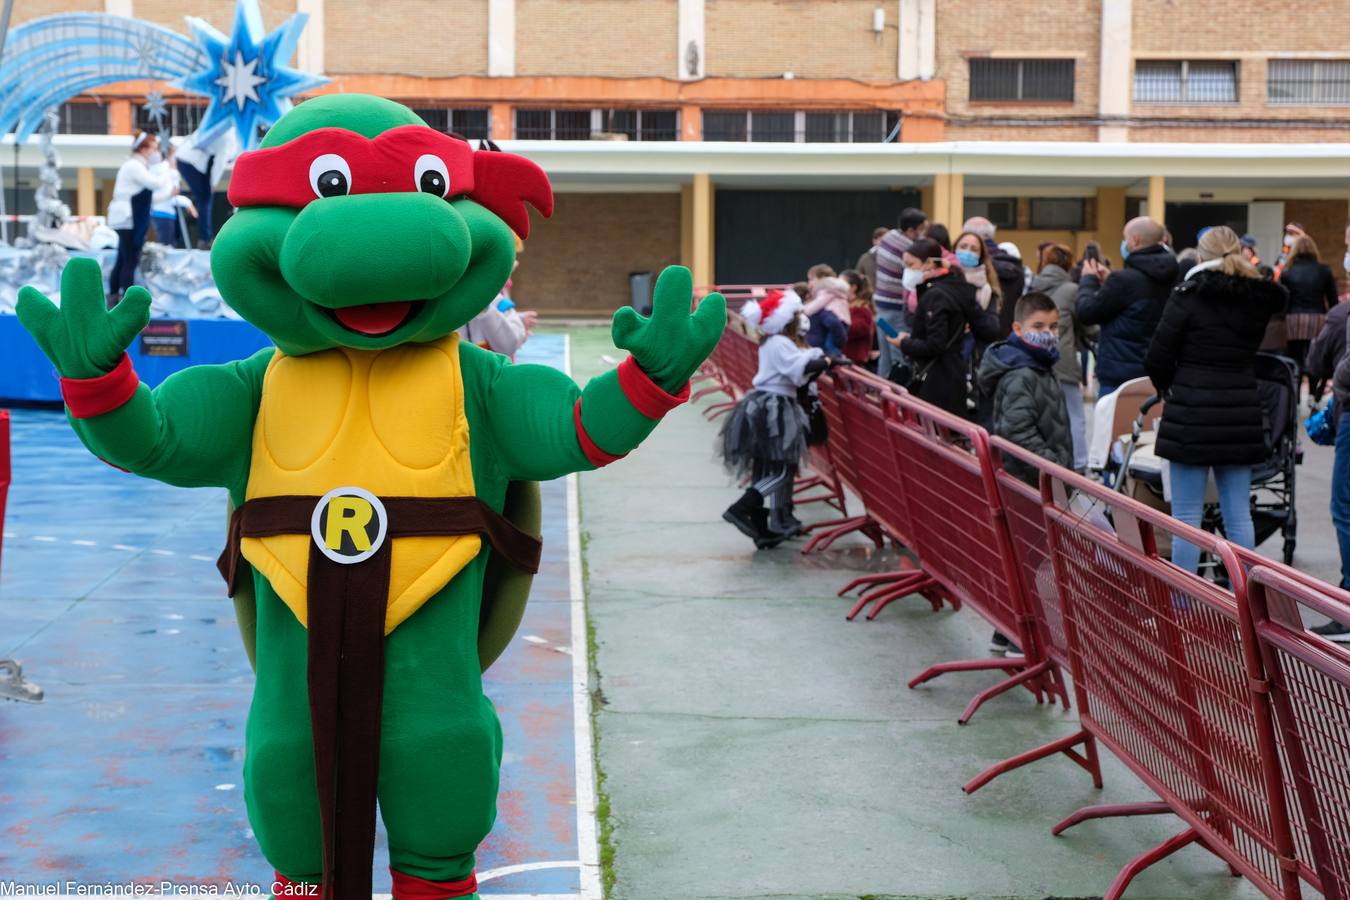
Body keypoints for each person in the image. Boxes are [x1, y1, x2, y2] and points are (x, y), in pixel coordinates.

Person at [1144, 226, 1286, 577]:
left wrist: (1168, 388)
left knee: (1187, 516)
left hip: (1191, 409)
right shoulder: (1257, 297)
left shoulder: (1188, 294)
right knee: (1238, 513)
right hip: (1240, 407)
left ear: (1201, 255)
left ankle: (1183, 605)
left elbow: (1157, 357)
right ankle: (1247, 603)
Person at [978, 291, 1073, 655]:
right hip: (1028, 483)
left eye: (1053, 327)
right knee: (1031, 558)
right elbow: (1017, 433)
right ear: (1017, 328)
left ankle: (1008, 631)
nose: (1047, 333)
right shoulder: (1022, 374)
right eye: (1038, 327)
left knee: (1030, 558)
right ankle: (1023, 635)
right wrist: (1053, 466)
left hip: (1035, 481)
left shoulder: (1037, 366)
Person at [719, 290, 838, 548]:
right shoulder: (779, 343)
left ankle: (762, 529)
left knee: (764, 466)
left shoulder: (773, 342)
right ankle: (742, 508)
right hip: (775, 405)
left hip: (765, 403)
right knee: (783, 469)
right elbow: (799, 369)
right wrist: (828, 360)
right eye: (795, 314)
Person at [885, 237, 1000, 416]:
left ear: (929, 263)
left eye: (911, 264)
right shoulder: (958, 287)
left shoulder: (935, 295)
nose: (907, 270)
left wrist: (904, 343)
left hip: (936, 383)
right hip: (954, 379)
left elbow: (935, 344)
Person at [1078, 216, 1179, 395]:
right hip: (1156, 373)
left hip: (1119, 376)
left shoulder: (1124, 281)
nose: (1124, 243)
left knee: (1114, 423)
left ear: (1135, 240)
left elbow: (1087, 312)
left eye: (1125, 238)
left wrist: (1088, 280)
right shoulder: (1172, 275)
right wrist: (1110, 280)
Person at [1032, 243, 1092, 470]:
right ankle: (1078, 464)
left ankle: (1045, 462)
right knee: (1074, 414)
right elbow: (1089, 326)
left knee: (1042, 414)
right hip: (1063, 359)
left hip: (1035, 358)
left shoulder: (1034, 287)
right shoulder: (1072, 290)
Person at [107, 130, 177, 304]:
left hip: (128, 216)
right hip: (128, 218)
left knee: (123, 258)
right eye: (153, 148)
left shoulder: (137, 166)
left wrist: (169, 195)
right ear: (143, 149)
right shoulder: (133, 166)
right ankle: (125, 300)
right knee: (130, 259)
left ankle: (115, 295)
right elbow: (154, 184)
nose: (155, 152)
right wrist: (166, 167)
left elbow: (149, 200)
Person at [874, 207, 929, 378]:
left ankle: (881, 393)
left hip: (881, 305)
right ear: (911, 230)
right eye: (921, 230)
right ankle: (896, 397)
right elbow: (919, 275)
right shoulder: (908, 248)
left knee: (885, 357)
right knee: (899, 357)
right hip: (897, 307)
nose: (923, 234)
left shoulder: (888, 237)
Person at [1278, 233, 1338, 375]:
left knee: (1295, 358)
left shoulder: (1287, 272)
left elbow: (1282, 300)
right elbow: (1332, 299)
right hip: (1318, 319)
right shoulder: (1324, 270)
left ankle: (1296, 390)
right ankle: (1312, 392)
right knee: (1315, 358)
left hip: (1293, 320)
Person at [953, 230, 1003, 312]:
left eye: (974, 249)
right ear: (954, 249)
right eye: (963, 247)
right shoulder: (942, 278)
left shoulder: (987, 290)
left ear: (980, 256)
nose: (967, 252)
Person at [803, 276, 850, 357]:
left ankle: (837, 357)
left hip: (835, 323)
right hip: (844, 321)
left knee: (830, 346)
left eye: (812, 279)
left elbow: (832, 321)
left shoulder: (827, 299)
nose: (810, 284)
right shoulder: (840, 298)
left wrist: (805, 310)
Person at [840, 269, 877, 368]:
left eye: (842, 284)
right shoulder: (843, 306)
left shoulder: (861, 309)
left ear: (853, 287)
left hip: (854, 362)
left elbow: (855, 330)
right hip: (842, 359)